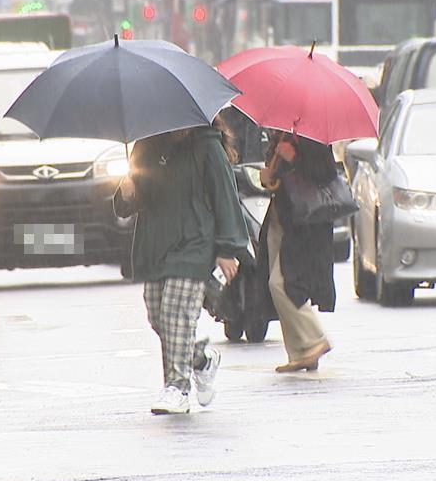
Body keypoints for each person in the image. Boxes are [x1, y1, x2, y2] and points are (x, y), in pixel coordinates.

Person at [114, 123, 248, 414]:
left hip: (195, 243)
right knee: (158, 315)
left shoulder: (207, 144)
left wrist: (227, 248)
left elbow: (225, 195)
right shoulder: (147, 145)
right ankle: (201, 359)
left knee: (176, 312)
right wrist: (127, 191)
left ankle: (177, 387)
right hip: (157, 243)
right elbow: (130, 203)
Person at [258, 130, 337, 372]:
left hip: (305, 223)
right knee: (275, 281)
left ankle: (315, 338)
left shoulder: (314, 137)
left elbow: (326, 173)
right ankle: (300, 352)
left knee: (280, 283)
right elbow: (279, 181)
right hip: (280, 218)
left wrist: (294, 158)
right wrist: (269, 174)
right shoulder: (279, 134)